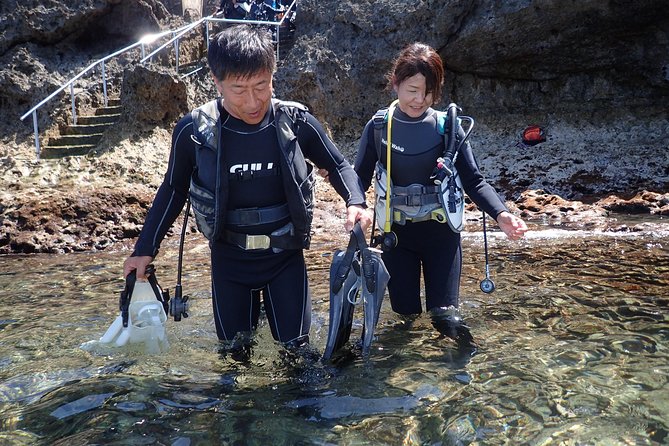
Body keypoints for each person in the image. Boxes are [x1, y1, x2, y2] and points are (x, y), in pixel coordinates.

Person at [123, 25, 371, 353]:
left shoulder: (295, 121)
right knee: (233, 360)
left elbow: (339, 165)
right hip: (229, 261)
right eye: (238, 89)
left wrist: (356, 201)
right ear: (216, 81)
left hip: (285, 257)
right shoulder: (194, 132)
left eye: (261, 85)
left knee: (298, 358)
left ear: (273, 74)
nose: (253, 101)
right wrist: (144, 249)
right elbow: (173, 189)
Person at [354, 43, 527, 349]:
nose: (420, 99)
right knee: (405, 321)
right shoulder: (379, 127)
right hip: (397, 238)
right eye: (412, 90)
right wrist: (358, 207)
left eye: (428, 92)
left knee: (446, 318)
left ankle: (464, 377)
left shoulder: (448, 128)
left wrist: (502, 214)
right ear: (395, 83)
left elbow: (474, 179)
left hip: (442, 237)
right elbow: (358, 180)